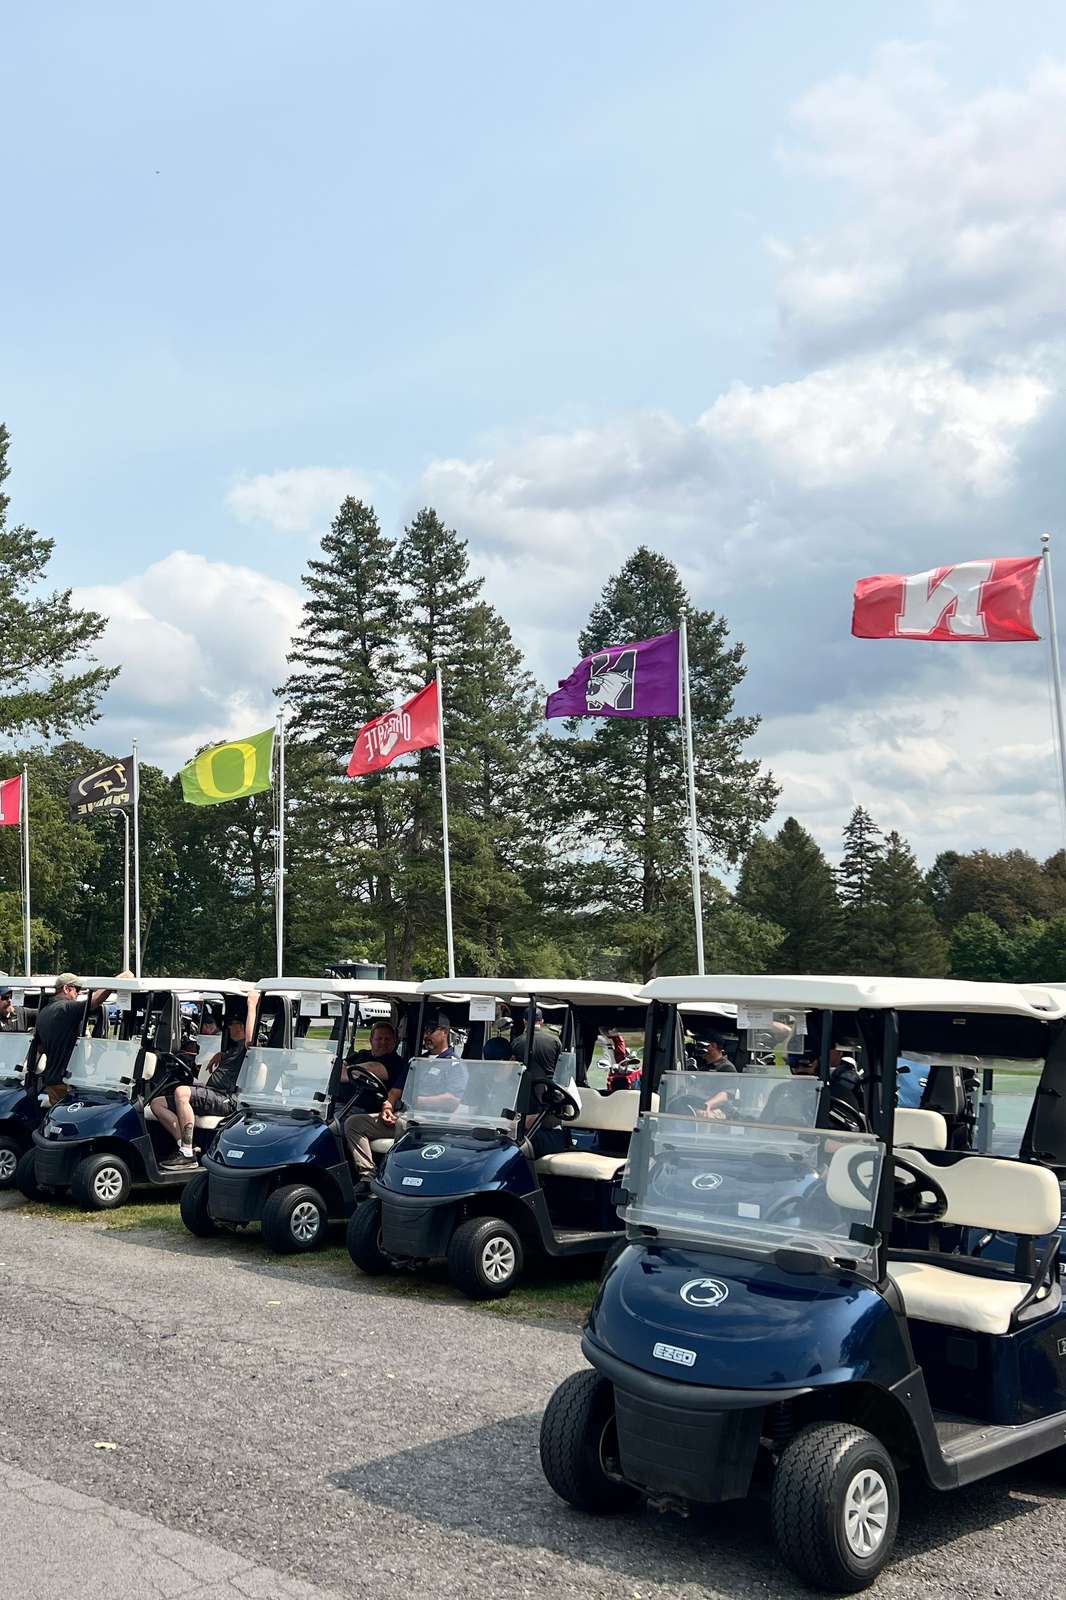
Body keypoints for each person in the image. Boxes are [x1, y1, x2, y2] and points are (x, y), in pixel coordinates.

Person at [153, 994, 258, 1168]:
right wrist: (222, 1055)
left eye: (232, 1025)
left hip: (225, 1098)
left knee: (182, 1092)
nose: (229, 1029)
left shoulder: (246, 1049)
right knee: (157, 1103)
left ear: (241, 1026)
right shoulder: (232, 1049)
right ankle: (186, 1146)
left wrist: (252, 1004)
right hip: (212, 1094)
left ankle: (186, 1153)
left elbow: (250, 1040)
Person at [28, 973, 127, 1106]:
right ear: (66, 989)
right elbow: (94, 1001)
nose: (78, 994)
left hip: (52, 1081)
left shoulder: (44, 1012)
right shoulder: (65, 1009)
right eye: (77, 990)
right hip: (67, 1082)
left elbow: (40, 1048)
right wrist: (116, 981)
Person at [340, 1021, 409, 1186]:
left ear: (395, 1042)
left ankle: (360, 1178)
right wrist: (348, 1070)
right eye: (379, 1039)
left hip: (364, 1110)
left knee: (337, 1127)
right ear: (371, 1040)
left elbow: (373, 1069)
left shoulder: (396, 1063)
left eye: (388, 1039)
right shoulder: (360, 1055)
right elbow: (337, 1071)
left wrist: (349, 1070)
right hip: (342, 1105)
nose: (383, 1043)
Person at [408, 1013, 467, 1112]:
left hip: (434, 1120)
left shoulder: (455, 1064)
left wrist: (417, 1101)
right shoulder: (416, 1061)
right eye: (425, 1030)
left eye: (431, 1030)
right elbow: (398, 1089)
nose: (426, 1035)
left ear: (445, 1032)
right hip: (408, 1114)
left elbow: (453, 1100)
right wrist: (388, 1106)